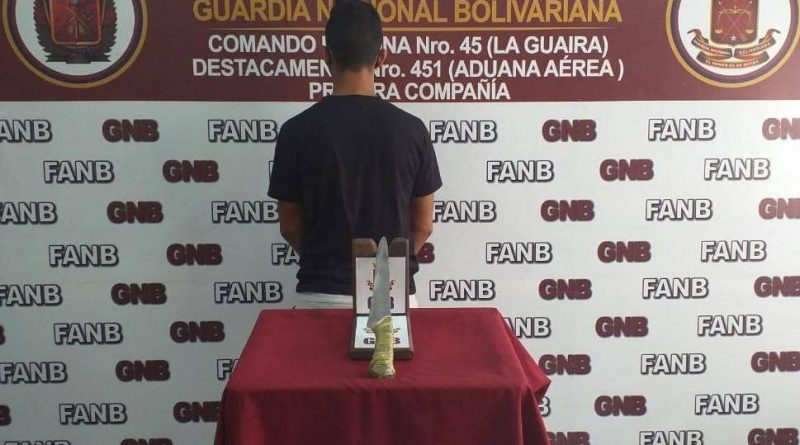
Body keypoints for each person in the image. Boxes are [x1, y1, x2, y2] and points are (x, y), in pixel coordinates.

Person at [267, 0, 442, 309]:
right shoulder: (412, 130)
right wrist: (381, 268)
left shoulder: (296, 131)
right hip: (393, 297)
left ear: (327, 56)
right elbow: (424, 225)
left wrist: (328, 262)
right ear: (382, 57)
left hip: (320, 297)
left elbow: (290, 226)